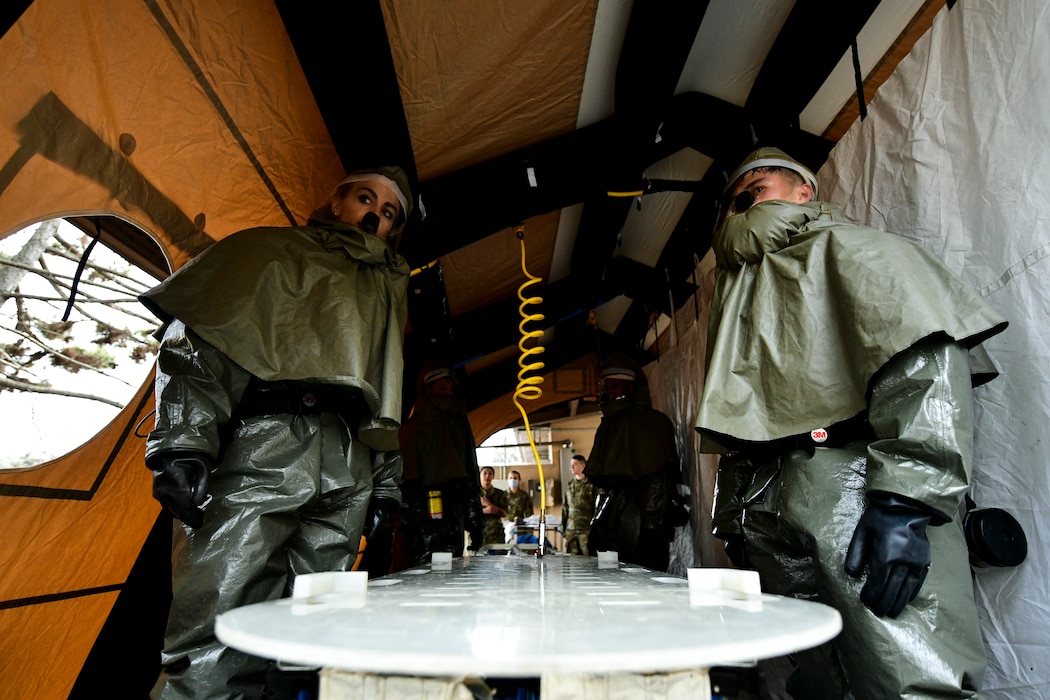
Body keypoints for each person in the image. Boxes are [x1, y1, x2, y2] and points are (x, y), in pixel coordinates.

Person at [695, 147, 1008, 699]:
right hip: (768, 503)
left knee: (904, 666)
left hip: (856, 489)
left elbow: (924, 370)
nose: (741, 199)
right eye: (732, 198)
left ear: (804, 192)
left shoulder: (856, 251)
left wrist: (907, 502)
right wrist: (735, 518)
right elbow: (742, 423)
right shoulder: (733, 294)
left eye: (757, 185)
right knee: (813, 673)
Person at [139, 166, 414, 700]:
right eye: (366, 198)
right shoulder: (268, 253)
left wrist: (384, 485)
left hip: (348, 463)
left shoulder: (385, 291)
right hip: (263, 446)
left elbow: (385, 399)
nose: (375, 215)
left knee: (321, 632)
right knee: (219, 622)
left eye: (389, 214)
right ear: (336, 202)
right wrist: (182, 444)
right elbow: (197, 346)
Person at [584, 360, 681, 572]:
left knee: (641, 579)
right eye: (607, 387)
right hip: (612, 518)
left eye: (615, 386)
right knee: (611, 579)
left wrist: (651, 526)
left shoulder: (650, 422)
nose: (610, 393)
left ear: (631, 387)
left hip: (639, 520)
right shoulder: (609, 423)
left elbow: (658, 476)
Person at [398, 363, 486, 562]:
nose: (447, 395)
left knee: (426, 571)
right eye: (441, 388)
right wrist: (475, 522)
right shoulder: (447, 421)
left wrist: (475, 521)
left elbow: (467, 472)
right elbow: (468, 471)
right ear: (428, 388)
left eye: (450, 389)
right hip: (431, 509)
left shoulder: (415, 424)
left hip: (433, 509)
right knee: (443, 570)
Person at [562, 454, 597, 555]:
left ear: (583, 466)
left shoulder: (591, 485)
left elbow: (596, 507)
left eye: (575, 464)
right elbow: (565, 507)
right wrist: (563, 527)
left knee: (588, 559)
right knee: (572, 561)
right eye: (571, 465)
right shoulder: (570, 485)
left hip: (586, 530)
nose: (572, 467)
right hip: (571, 530)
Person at [478, 466, 509, 546]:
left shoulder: (500, 494)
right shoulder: (474, 493)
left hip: (496, 535)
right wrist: (484, 511)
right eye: (484, 473)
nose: (487, 476)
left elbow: (504, 513)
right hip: (477, 534)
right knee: (475, 558)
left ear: (493, 476)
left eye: (490, 474)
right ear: (480, 475)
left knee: (497, 558)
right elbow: (466, 514)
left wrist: (490, 506)